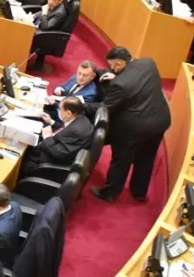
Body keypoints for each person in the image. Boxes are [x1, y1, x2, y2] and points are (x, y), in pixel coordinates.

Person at [91, 46, 170, 203]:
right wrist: (116, 76)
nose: (111, 68)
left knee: (121, 158)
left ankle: (110, 192)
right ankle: (139, 192)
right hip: (160, 121)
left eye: (113, 66)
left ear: (120, 64)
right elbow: (137, 80)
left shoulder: (119, 85)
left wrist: (83, 105)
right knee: (146, 157)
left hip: (135, 128)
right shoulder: (148, 63)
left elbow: (106, 108)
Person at [22, 96, 93, 178]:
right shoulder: (79, 117)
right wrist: (51, 122)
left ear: (68, 113)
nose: (59, 111)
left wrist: (47, 137)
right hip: (54, 147)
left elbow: (59, 154)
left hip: (48, 163)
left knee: (22, 155)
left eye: (60, 109)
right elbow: (65, 129)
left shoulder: (76, 132)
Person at [45, 60, 101, 125]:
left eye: (85, 75)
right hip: (54, 109)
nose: (80, 77)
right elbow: (62, 86)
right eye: (79, 73)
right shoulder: (75, 77)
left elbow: (73, 112)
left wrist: (54, 103)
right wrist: (57, 89)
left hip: (62, 120)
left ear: (92, 76)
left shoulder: (91, 94)